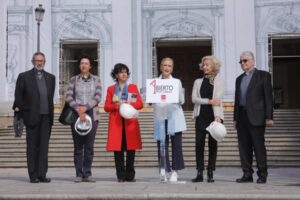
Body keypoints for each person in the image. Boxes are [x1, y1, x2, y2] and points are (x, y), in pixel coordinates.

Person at [13, 52, 55, 183]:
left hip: (46, 117)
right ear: (32, 61)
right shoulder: (24, 76)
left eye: (41, 60)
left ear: (45, 62)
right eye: (37, 60)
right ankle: (33, 175)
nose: (39, 62)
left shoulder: (51, 77)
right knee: (32, 147)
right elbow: (18, 97)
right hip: (31, 117)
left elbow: (49, 97)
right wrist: (20, 114)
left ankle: (42, 174)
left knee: (44, 147)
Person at [234, 51, 273, 184]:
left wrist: (269, 117)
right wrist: (235, 118)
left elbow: (268, 97)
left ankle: (262, 174)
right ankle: (247, 174)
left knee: (258, 147)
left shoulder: (263, 76)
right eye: (241, 61)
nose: (242, 63)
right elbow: (237, 100)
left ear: (253, 61)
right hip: (242, 116)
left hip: (257, 116)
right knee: (244, 147)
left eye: (245, 61)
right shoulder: (239, 79)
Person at [104, 63, 143, 182]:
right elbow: (106, 107)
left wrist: (128, 104)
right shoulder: (111, 89)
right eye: (121, 72)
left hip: (130, 123)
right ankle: (120, 175)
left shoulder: (133, 87)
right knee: (118, 151)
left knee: (131, 150)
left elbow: (140, 104)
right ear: (116, 75)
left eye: (126, 72)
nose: (124, 74)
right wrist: (117, 105)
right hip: (117, 124)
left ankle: (130, 176)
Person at [66, 55, 101, 183]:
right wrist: (78, 108)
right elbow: (69, 97)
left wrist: (85, 108)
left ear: (90, 66)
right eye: (82, 63)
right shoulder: (73, 80)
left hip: (92, 113)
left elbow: (98, 97)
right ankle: (78, 174)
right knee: (78, 146)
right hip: (76, 114)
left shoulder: (96, 80)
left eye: (86, 63)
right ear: (79, 65)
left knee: (89, 146)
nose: (84, 65)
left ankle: (87, 173)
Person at [191, 55, 224, 183]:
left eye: (207, 65)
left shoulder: (220, 82)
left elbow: (218, 100)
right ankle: (199, 172)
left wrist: (218, 116)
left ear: (214, 66)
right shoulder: (197, 82)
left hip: (214, 116)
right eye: (203, 65)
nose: (205, 67)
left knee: (212, 145)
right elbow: (194, 99)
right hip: (201, 115)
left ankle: (210, 172)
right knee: (199, 144)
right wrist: (209, 101)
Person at [153, 57, 186, 182]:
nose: (166, 68)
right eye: (164, 65)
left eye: (169, 66)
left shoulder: (176, 82)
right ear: (160, 67)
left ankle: (175, 171)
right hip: (160, 117)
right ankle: (164, 171)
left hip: (174, 117)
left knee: (176, 145)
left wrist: (175, 97)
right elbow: (150, 99)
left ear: (172, 69)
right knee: (162, 145)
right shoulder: (155, 82)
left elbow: (182, 100)